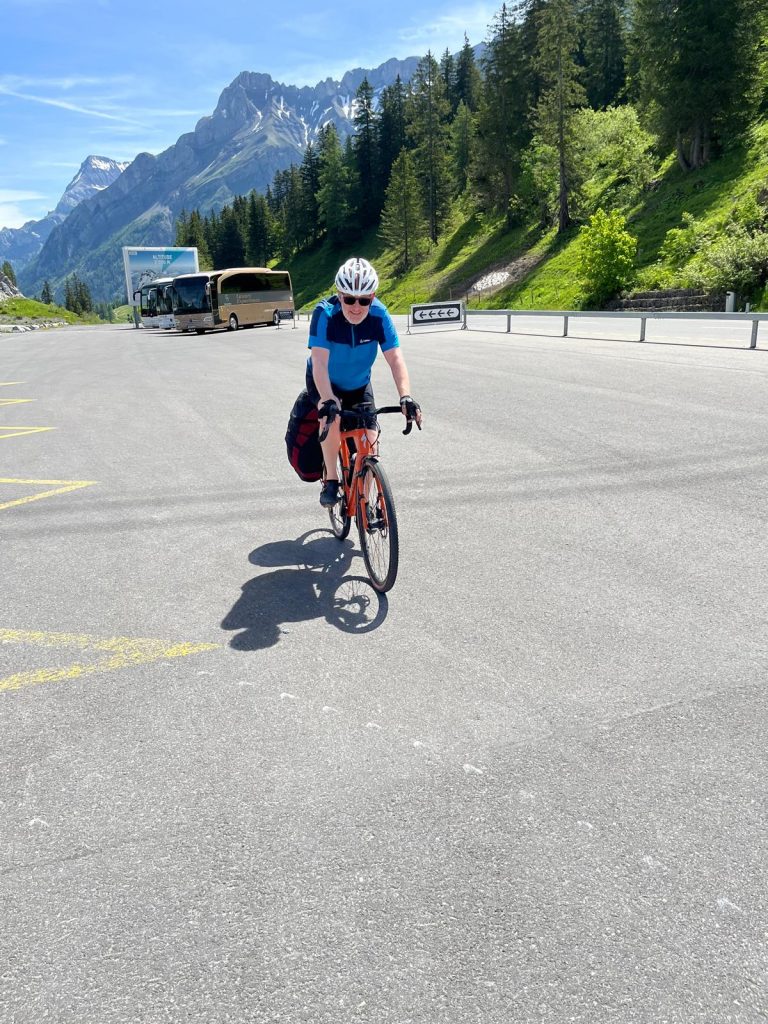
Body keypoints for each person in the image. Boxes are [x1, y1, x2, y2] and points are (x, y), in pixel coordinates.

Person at [306, 257, 422, 506]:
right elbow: (319, 362)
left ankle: (365, 506)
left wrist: (405, 396)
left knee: (371, 440)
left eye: (364, 300)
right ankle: (332, 480)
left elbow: (395, 358)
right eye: (349, 299)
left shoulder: (379, 315)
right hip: (325, 381)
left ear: (373, 297)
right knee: (331, 417)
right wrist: (328, 399)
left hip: (359, 384)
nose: (356, 307)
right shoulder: (324, 314)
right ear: (339, 295)